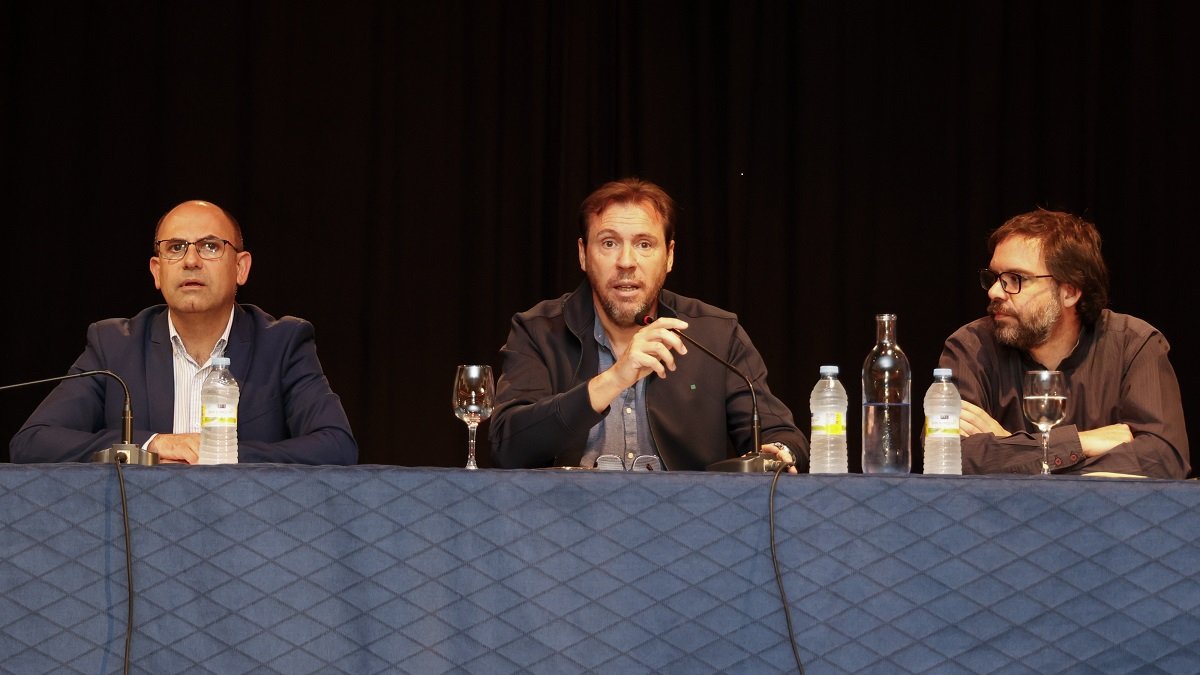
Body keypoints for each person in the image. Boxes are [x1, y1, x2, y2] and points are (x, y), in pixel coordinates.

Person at [489, 178, 808, 471]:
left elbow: (781, 436)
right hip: (569, 514)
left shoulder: (717, 334)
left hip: (686, 514)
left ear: (669, 256)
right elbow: (507, 446)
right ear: (583, 254)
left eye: (644, 244)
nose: (626, 262)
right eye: (609, 243)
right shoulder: (538, 330)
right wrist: (615, 378)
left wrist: (779, 453)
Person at [10, 200, 357, 465]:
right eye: (176, 248)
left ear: (241, 267)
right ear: (157, 271)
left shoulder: (282, 344)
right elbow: (33, 442)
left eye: (210, 246)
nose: (191, 261)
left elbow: (336, 445)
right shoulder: (114, 346)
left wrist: (216, 454)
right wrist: (155, 444)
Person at [939, 208, 1189, 478]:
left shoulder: (1134, 345)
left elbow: (1164, 459)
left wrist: (1013, 450)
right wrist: (1081, 443)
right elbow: (947, 455)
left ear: (1069, 292)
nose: (994, 291)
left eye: (1015, 279)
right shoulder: (970, 347)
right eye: (995, 278)